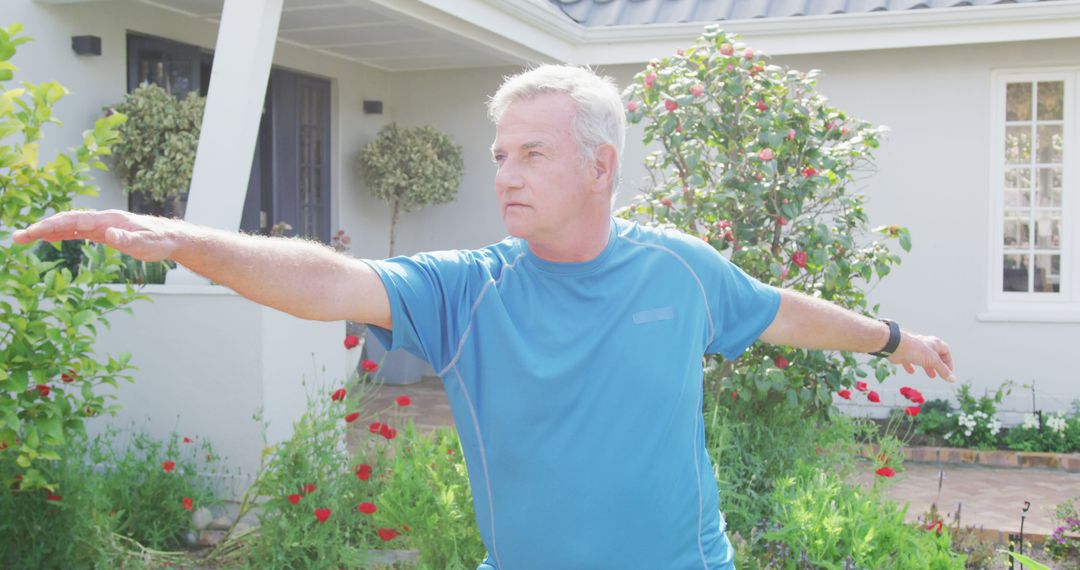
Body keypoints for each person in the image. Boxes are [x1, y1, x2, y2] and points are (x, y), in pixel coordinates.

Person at [14, 65, 954, 569]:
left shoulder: (680, 271)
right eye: (501, 153)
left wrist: (897, 339)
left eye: (532, 154)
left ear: (599, 167)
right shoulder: (467, 286)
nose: (504, 173)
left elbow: (778, 312)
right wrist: (184, 241)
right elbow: (331, 280)